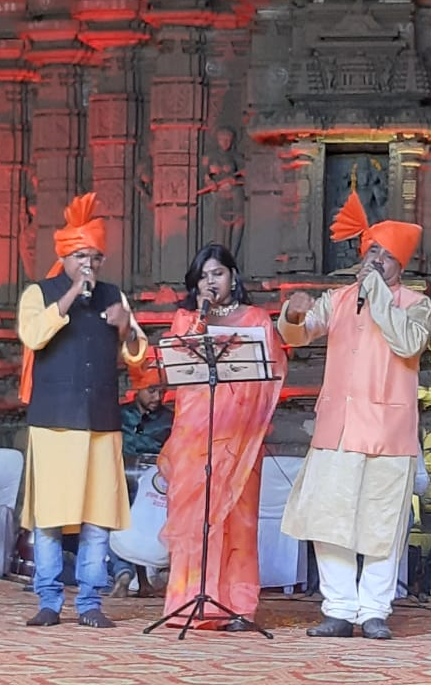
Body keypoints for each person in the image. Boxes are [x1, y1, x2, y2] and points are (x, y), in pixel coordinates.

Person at [279, 190, 431, 640]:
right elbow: (298, 334)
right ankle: (340, 608)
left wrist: (379, 296)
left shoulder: (417, 304)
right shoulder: (339, 298)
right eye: (371, 252)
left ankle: (374, 611)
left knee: (383, 526)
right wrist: (293, 312)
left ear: (400, 266)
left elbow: (406, 343)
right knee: (330, 523)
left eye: (386, 256)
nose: (377, 261)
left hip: (389, 433)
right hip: (337, 430)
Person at [16, 192, 147, 629]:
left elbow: (137, 356)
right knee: (50, 517)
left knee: (97, 516)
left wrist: (126, 327)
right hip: (53, 423)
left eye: (93, 257)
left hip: (100, 422)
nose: (87, 265)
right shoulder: (40, 293)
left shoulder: (115, 297)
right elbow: (33, 336)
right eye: (79, 257)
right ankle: (49, 599)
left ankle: (91, 601)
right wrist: (73, 294)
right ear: (64, 258)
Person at [148, 243, 286, 631]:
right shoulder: (185, 319)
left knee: (239, 520)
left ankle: (239, 606)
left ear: (233, 276)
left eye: (218, 273)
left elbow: (271, 373)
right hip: (196, 436)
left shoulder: (257, 319)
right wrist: (202, 319)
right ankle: (189, 600)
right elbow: (178, 370)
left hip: (240, 438)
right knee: (196, 521)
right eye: (204, 276)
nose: (211, 281)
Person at [110, 358, 173, 599]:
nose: (157, 397)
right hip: (122, 480)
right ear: (137, 389)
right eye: (152, 391)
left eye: (161, 392)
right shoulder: (118, 415)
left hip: (156, 485)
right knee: (114, 516)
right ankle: (125, 573)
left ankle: (151, 577)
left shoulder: (170, 419)